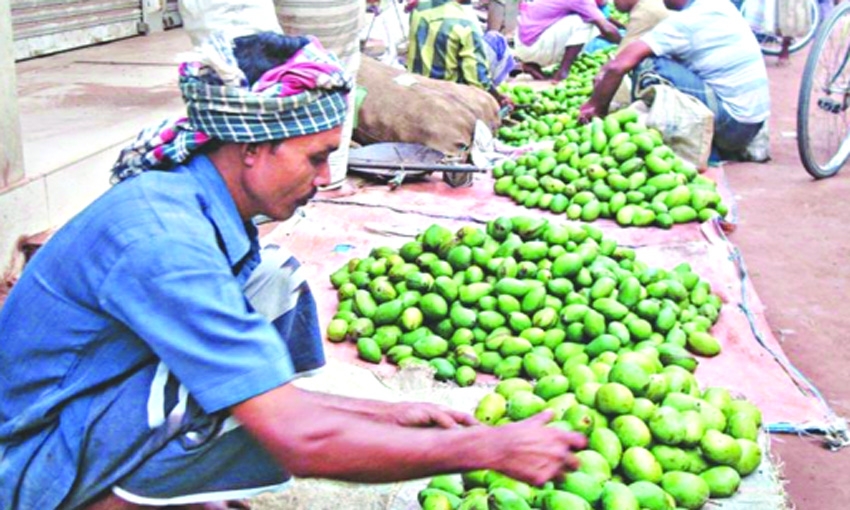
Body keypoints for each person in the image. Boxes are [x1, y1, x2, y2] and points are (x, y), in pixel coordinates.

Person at [0, 32, 586, 510]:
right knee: (212, 397)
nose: (328, 176)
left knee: (272, 279)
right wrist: (488, 447)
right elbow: (299, 440)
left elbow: (272, 399)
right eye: (316, 156)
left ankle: (173, 476)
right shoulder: (162, 241)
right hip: (32, 459)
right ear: (252, 147)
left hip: (90, 393)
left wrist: (384, 413)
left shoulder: (196, 202)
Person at [579, 0, 770, 160]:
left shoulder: (686, 22)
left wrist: (595, 106)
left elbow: (618, 65)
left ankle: (686, 139)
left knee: (647, 63)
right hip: (751, 124)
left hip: (733, 126)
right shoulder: (718, 5)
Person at [406, 0, 515, 107]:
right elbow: (478, 81)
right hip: (446, 100)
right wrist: (497, 96)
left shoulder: (419, 8)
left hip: (416, 89)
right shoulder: (466, 24)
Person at [514, 0, 623, 81]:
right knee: (585, 22)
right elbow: (606, 29)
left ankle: (532, 65)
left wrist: (624, 28)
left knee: (591, 22)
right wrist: (626, 45)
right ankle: (562, 72)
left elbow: (605, 21)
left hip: (523, 44)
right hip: (534, 45)